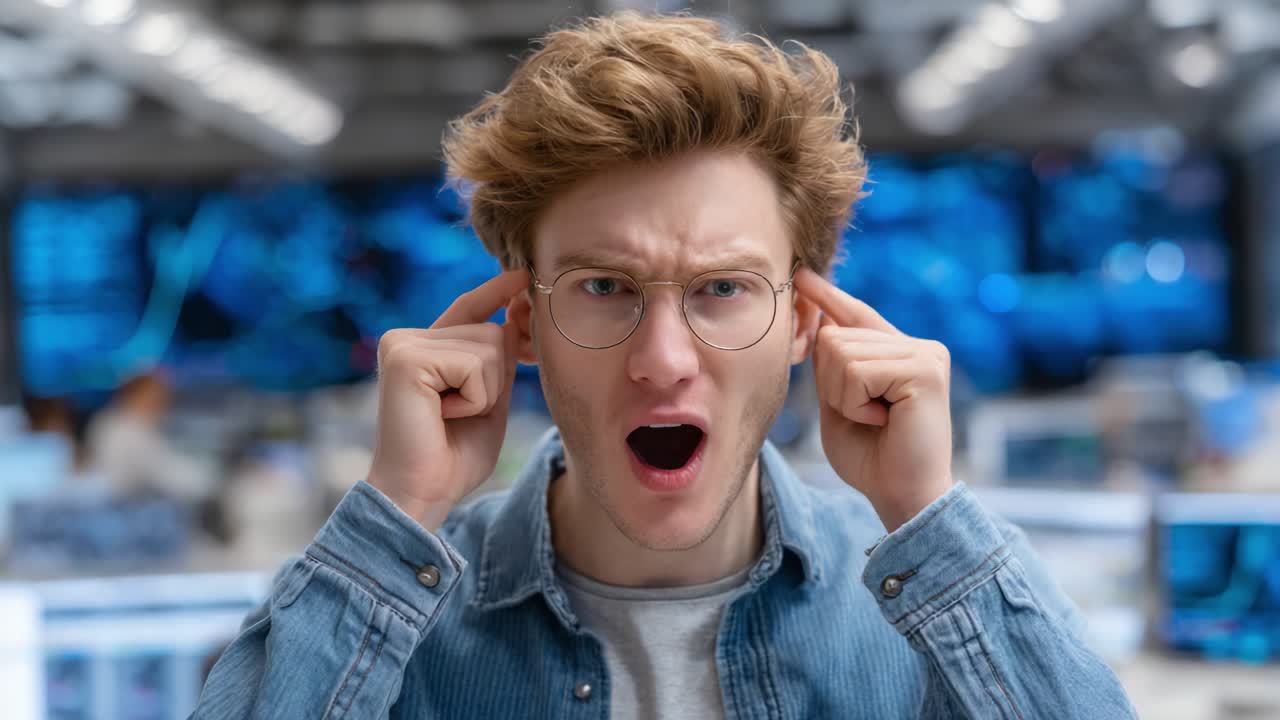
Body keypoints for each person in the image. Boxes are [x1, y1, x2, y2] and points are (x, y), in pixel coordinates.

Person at [194, 12, 1137, 719]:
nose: (664, 361)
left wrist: (928, 516)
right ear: (523, 326)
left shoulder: (928, 613)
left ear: (804, 322)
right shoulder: (392, 628)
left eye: (723, 289)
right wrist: (397, 512)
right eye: (604, 287)